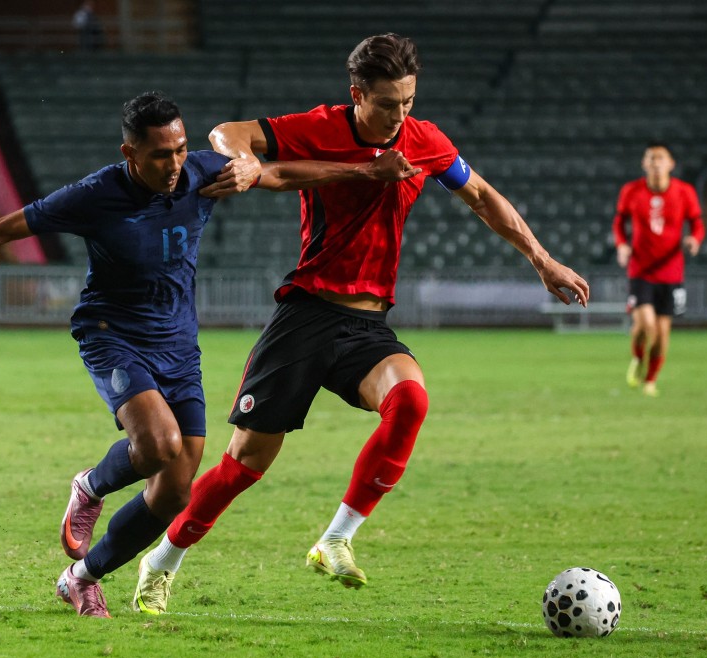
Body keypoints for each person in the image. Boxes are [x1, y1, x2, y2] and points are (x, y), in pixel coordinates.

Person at [0, 91, 419, 617]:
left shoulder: (202, 173)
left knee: (174, 491)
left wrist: (350, 170)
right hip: (112, 333)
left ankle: (81, 579)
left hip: (178, 343)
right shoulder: (95, 194)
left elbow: (281, 174)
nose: (176, 164)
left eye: (181, 149)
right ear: (129, 153)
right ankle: (90, 486)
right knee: (158, 444)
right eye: (162, 154)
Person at [130, 33, 591, 616]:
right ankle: (162, 560)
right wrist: (243, 159)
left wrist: (542, 259)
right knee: (244, 465)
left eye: (409, 101)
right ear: (357, 96)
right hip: (306, 314)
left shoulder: (425, 141)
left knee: (411, 400)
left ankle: (336, 538)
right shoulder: (321, 126)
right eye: (389, 103)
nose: (402, 115)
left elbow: (479, 193)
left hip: (368, 323)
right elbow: (230, 132)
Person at [613, 141, 703, 397]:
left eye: (660, 158)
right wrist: (621, 245)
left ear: (671, 164)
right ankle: (638, 358)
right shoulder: (631, 191)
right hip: (640, 270)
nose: (655, 162)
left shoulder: (684, 192)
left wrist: (695, 239)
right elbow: (619, 223)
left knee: (662, 334)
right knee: (645, 326)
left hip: (672, 273)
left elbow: (697, 224)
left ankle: (650, 380)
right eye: (650, 158)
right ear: (644, 164)